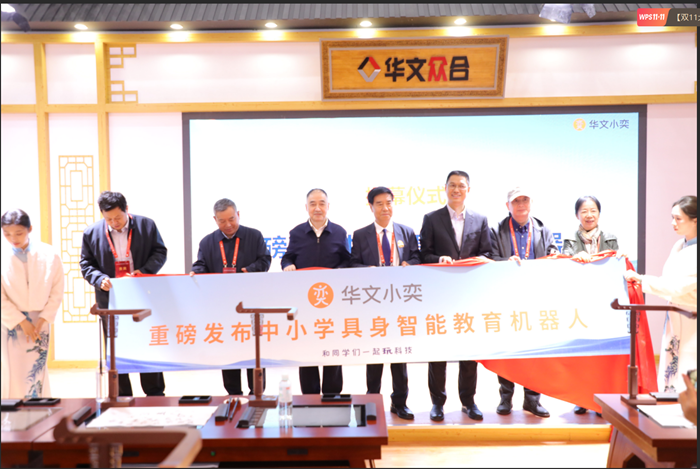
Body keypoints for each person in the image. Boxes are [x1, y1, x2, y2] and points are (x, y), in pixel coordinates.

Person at [420, 170, 493, 422]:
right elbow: (423, 255)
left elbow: (487, 254)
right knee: (438, 352)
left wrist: (481, 259)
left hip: (470, 295)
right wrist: (438, 259)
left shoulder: (480, 219)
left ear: (468, 190)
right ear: (445, 188)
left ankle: (468, 401)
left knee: (468, 352)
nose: (456, 190)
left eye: (461, 186)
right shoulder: (431, 219)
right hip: (440, 295)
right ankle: (437, 402)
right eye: (452, 185)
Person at [80, 191, 168, 397]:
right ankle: (121, 396)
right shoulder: (91, 233)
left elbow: (160, 252)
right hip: (111, 299)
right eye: (109, 219)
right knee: (116, 348)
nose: (114, 223)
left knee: (148, 344)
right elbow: (86, 264)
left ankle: (154, 395)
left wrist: (144, 271)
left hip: (143, 295)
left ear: (126, 210)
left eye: (118, 217)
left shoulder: (146, 225)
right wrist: (99, 279)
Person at [350, 186, 421, 420]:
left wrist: (410, 264)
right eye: (379, 203)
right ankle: (372, 402)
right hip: (374, 303)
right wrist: (367, 269)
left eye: (388, 202)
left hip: (400, 302)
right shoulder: (360, 235)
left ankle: (400, 403)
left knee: (399, 355)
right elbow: (351, 264)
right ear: (371, 207)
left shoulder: (406, 232)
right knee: (374, 355)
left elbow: (417, 257)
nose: (385, 208)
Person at [190, 198, 271, 395]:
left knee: (254, 350)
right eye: (222, 221)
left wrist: (248, 271)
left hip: (251, 304)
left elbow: (265, 260)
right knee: (229, 350)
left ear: (238, 215)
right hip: (223, 307)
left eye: (232, 219)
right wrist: (196, 272)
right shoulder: (207, 242)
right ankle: (234, 394)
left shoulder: (254, 236)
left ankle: (257, 393)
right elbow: (201, 265)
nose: (228, 224)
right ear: (215, 220)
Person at [490, 187, 559, 418]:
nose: (521, 204)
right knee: (507, 351)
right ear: (507, 206)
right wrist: (505, 262)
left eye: (525, 200)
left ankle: (532, 400)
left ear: (531, 203)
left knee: (535, 352)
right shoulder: (496, 230)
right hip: (506, 298)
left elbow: (553, 255)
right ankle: (505, 398)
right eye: (516, 201)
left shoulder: (543, 229)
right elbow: (489, 258)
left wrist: (550, 258)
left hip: (535, 299)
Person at [281, 188, 351, 395]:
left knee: (333, 347)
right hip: (305, 301)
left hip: (333, 301)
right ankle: (309, 397)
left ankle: (332, 394)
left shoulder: (340, 232)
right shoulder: (296, 233)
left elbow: (347, 260)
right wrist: (287, 265)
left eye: (322, 203)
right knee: (307, 348)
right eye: (313, 204)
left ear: (328, 206)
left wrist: (338, 272)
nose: (317, 208)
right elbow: (288, 257)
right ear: (306, 207)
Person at [625, 195, 697, 392]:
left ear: (695, 220)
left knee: (688, 366)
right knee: (671, 366)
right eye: (672, 217)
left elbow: (676, 287)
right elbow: (668, 281)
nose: (673, 223)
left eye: (678, 218)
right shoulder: (680, 245)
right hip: (675, 313)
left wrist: (641, 280)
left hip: (691, 317)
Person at [562, 195, 624, 414]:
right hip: (580, 305)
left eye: (593, 210)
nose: (589, 215)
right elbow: (564, 267)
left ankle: (602, 400)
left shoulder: (610, 238)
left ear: (599, 213)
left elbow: (616, 266)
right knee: (582, 354)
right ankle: (582, 399)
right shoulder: (570, 241)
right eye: (584, 211)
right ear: (576, 215)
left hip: (605, 305)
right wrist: (573, 258)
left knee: (603, 355)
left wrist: (619, 257)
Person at [1, 209, 64, 399]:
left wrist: (44, 318)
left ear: (30, 229)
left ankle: (38, 408)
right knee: (10, 371)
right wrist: (21, 321)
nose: (13, 238)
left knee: (36, 370)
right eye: (7, 234)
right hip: (10, 323)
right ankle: (11, 411)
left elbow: (57, 290)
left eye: (19, 233)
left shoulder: (49, 254)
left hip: (40, 322)